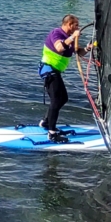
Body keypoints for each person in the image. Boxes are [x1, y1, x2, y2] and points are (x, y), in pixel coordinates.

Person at [38, 14, 92, 142]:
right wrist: (73, 36)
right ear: (69, 24)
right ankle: (51, 132)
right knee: (57, 100)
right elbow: (59, 47)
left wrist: (88, 48)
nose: (77, 27)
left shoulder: (69, 38)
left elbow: (78, 52)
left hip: (55, 72)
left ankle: (46, 122)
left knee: (63, 99)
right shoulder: (56, 33)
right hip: (49, 70)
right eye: (76, 25)